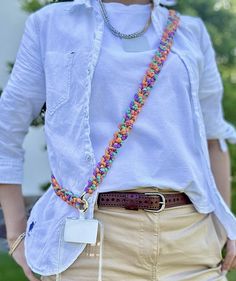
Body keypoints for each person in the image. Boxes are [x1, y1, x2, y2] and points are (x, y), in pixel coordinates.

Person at [0, 0, 236, 280]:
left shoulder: (190, 32)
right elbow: (7, 130)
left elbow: (213, 138)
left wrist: (226, 227)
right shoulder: (51, 24)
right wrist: (15, 232)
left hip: (191, 239)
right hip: (91, 245)